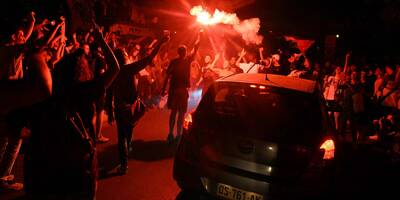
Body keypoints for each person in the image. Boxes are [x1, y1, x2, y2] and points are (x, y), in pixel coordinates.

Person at [23, 20, 119, 199]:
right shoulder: (85, 90)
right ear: (83, 69)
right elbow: (115, 68)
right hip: (79, 168)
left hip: (47, 169)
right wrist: (100, 39)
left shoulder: (45, 93)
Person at [110, 34, 170, 175]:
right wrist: (160, 41)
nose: (126, 53)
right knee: (125, 135)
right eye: (124, 53)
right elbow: (149, 59)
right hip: (129, 108)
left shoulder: (115, 71)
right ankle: (124, 164)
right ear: (123, 57)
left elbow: (108, 90)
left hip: (120, 108)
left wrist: (109, 108)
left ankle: (124, 157)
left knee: (123, 136)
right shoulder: (129, 69)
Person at [162, 30, 202, 144]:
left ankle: (171, 133)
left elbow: (167, 76)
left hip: (174, 91)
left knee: (174, 113)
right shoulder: (187, 60)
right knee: (180, 114)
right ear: (184, 53)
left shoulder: (173, 62)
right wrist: (200, 36)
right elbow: (196, 48)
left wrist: (163, 90)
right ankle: (178, 135)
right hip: (181, 92)